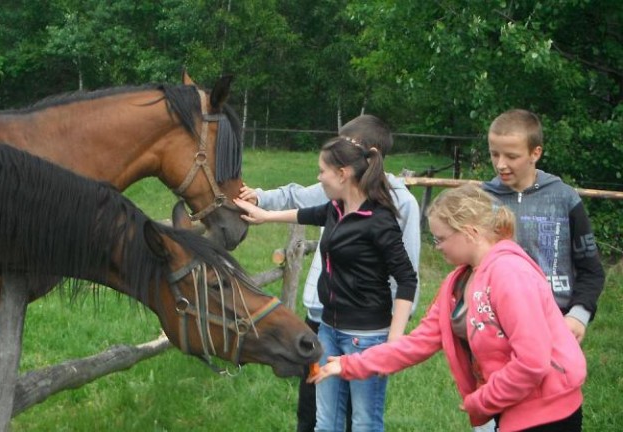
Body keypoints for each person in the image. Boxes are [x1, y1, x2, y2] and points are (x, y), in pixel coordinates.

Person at [310, 184, 587, 431]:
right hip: (511, 410)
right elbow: (418, 343)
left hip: (548, 415)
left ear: (469, 232)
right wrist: (351, 364)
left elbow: (532, 361)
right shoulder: (458, 283)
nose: (438, 247)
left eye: (440, 238)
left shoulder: (510, 273)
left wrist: (482, 399)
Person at [237, 115, 421, 432]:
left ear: (348, 168)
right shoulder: (335, 204)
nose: (321, 175)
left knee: (362, 418)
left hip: (366, 331)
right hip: (325, 323)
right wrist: (263, 208)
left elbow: (407, 276)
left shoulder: (390, 210)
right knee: (320, 417)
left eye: (329, 165)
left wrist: (393, 338)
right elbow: (301, 206)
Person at [482, 108, 605, 343]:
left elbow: (592, 271)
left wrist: (578, 316)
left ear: (535, 153)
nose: (501, 164)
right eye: (494, 154)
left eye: (511, 156)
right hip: (494, 327)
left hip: (555, 324)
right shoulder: (479, 200)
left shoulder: (565, 199)